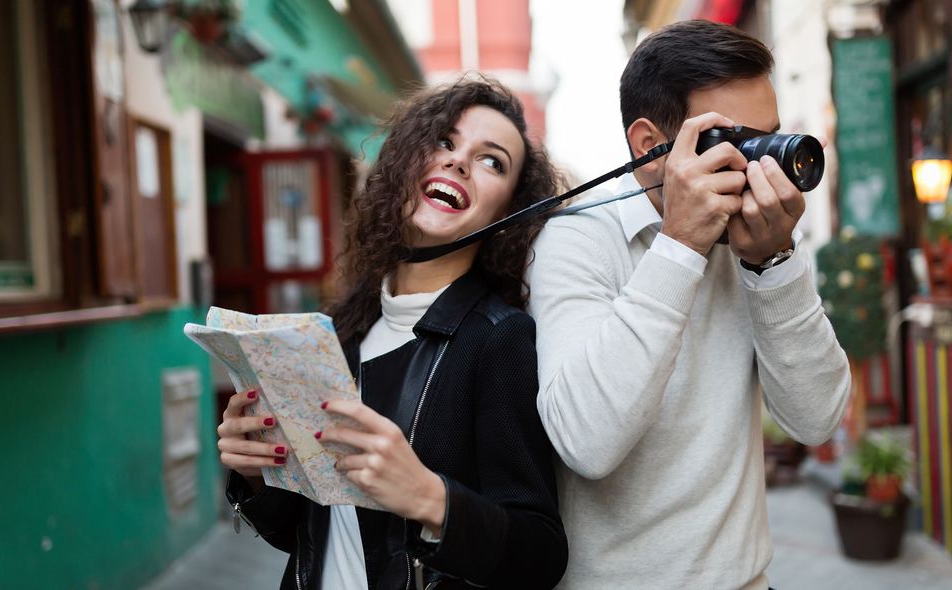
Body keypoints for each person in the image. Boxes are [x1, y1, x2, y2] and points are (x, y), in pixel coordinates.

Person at [526, 19, 852, 589]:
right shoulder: (577, 239)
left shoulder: (754, 239)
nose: (765, 170)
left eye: (769, 138)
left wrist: (773, 264)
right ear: (650, 149)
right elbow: (587, 442)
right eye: (740, 143)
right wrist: (680, 246)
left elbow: (816, 421)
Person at [216, 78, 568, 590]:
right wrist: (255, 472)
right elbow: (312, 537)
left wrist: (430, 498)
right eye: (444, 142)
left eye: (492, 161)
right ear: (404, 163)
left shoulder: (500, 339)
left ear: (507, 212)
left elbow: (540, 555)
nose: (459, 162)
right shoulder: (341, 332)